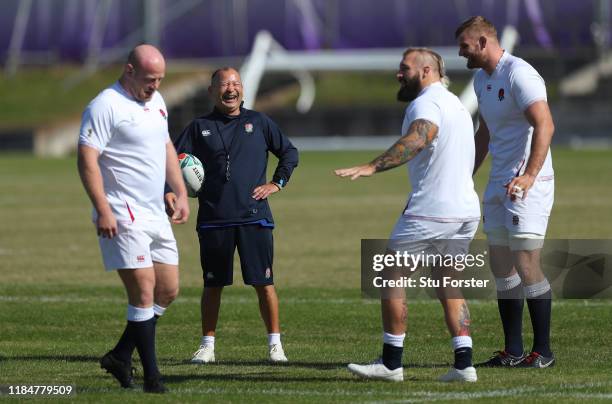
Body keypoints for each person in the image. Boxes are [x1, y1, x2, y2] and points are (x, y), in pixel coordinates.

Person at [335, 48, 481, 382]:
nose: (398, 74)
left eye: (404, 69)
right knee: (448, 283)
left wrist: (373, 166)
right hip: (465, 210)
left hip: (432, 210)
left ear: (426, 70)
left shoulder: (427, 103)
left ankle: (390, 363)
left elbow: (419, 137)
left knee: (391, 276)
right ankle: (464, 364)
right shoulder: (455, 102)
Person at [165, 67, 298, 364]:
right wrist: (170, 192)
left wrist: (276, 184)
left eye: (236, 83)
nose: (231, 89)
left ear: (243, 90)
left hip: (254, 217)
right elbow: (171, 162)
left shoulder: (259, 122)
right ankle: (207, 347)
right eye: (224, 84)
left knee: (264, 284)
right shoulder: (199, 127)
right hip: (214, 218)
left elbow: (290, 153)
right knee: (213, 285)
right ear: (212, 91)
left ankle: (275, 346)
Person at [77, 44, 190, 393]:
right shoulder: (105, 105)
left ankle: (120, 355)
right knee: (143, 291)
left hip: (155, 211)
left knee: (168, 291)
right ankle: (153, 378)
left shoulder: (155, 101)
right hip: (121, 211)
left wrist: (180, 190)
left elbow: (166, 145)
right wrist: (103, 208)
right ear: (129, 70)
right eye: (149, 79)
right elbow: (87, 158)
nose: (155, 85)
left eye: (160, 79)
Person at [455, 16, 555, 368]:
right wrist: (464, 176)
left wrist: (529, 175)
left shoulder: (519, 74)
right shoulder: (482, 78)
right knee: (501, 266)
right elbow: (484, 133)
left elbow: (545, 124)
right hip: (498, 183)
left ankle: (543, 352)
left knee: (527, 264)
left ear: (483, 42)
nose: (460, 52)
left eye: (465, 46)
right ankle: (513, 351)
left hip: (528, 185)